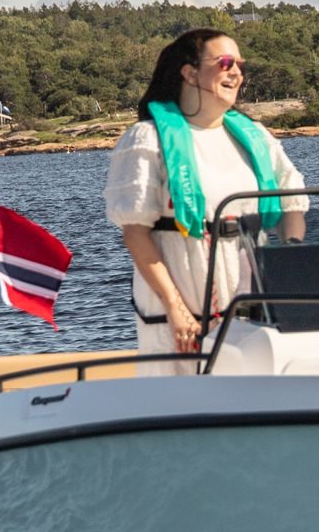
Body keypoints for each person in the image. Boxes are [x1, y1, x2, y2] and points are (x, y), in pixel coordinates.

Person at [105, 28, 306, 368]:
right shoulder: (147, 139)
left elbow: (292, 205)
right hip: (180, 314)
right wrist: (175, 308)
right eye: (225, 62)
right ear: (189, 72)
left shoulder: (256, 138)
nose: (236, 72)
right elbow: (135, 233)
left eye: (240, 64)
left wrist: (289, 264)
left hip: (251, 307)